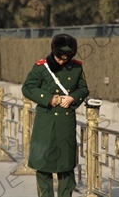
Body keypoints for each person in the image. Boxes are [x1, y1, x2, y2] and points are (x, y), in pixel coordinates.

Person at [21, 34, 90, 197]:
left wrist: (72, 98)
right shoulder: (41, 67)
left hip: (65, 121)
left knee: (66, 164)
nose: (62, 61)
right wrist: (49, 98)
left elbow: (83, 88)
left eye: (66, 58)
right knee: (43, 164)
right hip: (46, 120)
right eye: (60, 57)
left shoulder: (77, 68)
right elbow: (28, 88)